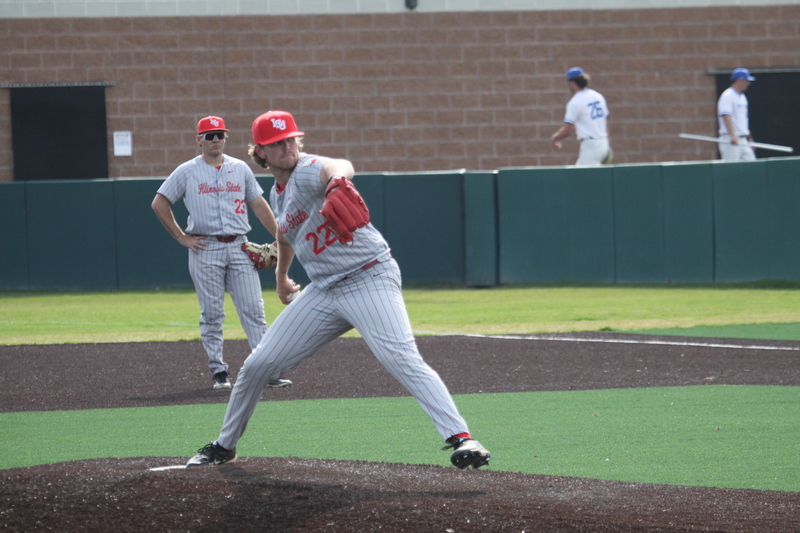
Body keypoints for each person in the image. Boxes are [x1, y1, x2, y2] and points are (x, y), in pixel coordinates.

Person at [185, 110, 491, 470]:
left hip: (369, 277)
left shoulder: (310, 169)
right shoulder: (277, 194)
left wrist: (335, 183)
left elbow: (339, 165)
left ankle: (461, 437)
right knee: (258, 365)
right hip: (325, 290)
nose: (287, 146)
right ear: (261, 153)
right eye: (276, 143)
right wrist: (282, 276)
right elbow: (285, 235)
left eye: (290, 139)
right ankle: (225, 445)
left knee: (399, 355)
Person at [151, 116, 291, 391]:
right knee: (213, 313)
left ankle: (264, 371)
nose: (215, 139)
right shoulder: (187, 171)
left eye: (220, 134)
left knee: (253, 309)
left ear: (226, 137)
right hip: (206, 247)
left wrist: (279, 237)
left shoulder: (240, 168)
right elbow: (159, 203)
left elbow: (259, 204)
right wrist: (181, 237)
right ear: (199, 139)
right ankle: (219, 372)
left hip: (239, 245)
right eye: (210, 134)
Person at [550, 67, 612, 166]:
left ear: (573, 83)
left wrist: (555, 138)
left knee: (582, 178)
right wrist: (607, 143)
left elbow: (567, 130)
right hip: (603, 142)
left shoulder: (575, 102)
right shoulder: (598, 96)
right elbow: (605, 122)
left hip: (591, 146)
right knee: (585, 175)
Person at [717, 68, 757, 162]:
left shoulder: (743, 97)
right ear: (740, 80)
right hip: (730, 139)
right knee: (732, 168)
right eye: (747, 80)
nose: (748, 83)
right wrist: (732, 135)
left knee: (752, 165)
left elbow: (743, 121)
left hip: (743, 139)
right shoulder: (727, 95)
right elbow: (726, 115)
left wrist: (749, 138)